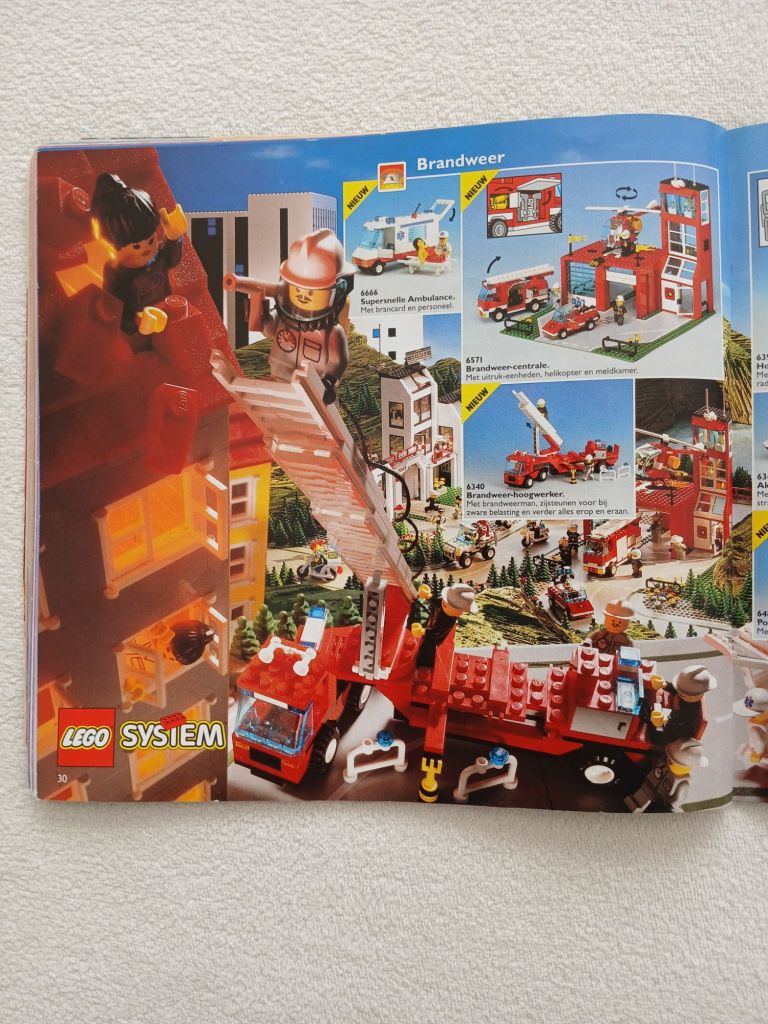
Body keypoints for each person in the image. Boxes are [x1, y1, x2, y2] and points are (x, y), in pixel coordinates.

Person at [91, 172, 188, 345]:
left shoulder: (157, 257)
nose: (147, 249)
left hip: (166, 313)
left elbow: (172, 260)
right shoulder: (117, 275)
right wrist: (136, 320)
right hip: (140, 330)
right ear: (113, 246)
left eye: (151, 240)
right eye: (136, 246)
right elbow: (116, 306)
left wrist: (174, 238)